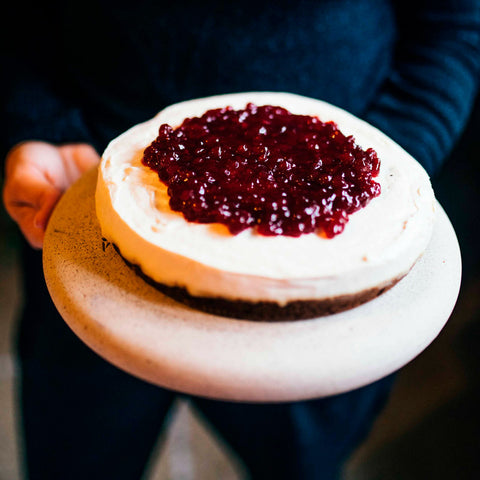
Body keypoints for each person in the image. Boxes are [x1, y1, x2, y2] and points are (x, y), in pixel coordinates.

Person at [2, 1, 480, 479]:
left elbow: (454, 29)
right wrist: (40, 125)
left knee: (303, 463)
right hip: (94, 196)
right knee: (76, 455)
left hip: (334, 272)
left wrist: (382, 181)